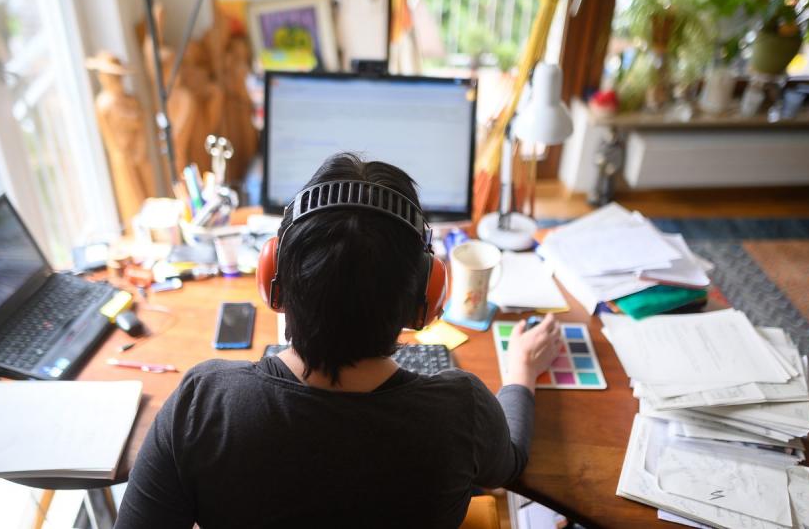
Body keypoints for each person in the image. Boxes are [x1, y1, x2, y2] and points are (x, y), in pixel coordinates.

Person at [115, 153, 562, 528]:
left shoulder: (203, 403)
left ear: (273, 278)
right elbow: (511, 462)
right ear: (425, 299)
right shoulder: (460, 412)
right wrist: (521, 372)